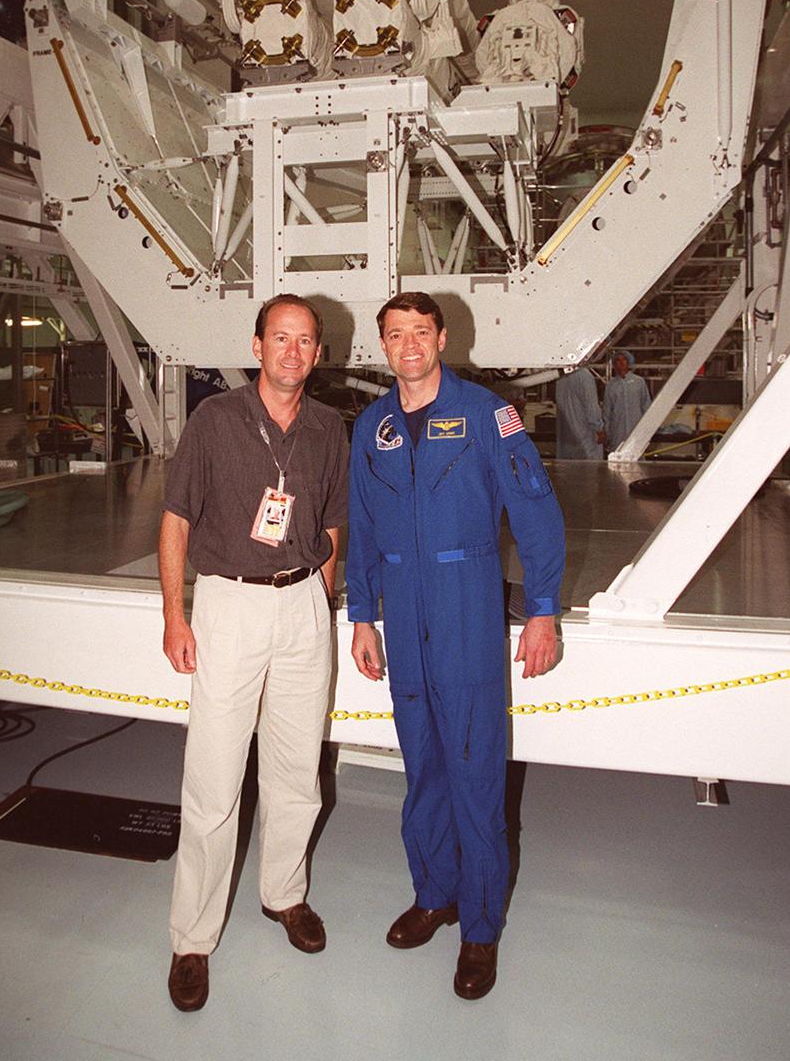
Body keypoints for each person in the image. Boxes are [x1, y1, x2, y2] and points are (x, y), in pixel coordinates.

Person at [346, 292, 565, 1001]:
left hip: (466, 598)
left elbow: (534, 510)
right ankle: (433, 893)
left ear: (441, 337)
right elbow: (362, 523)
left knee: (473, 769)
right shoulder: (372, 426)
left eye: (419, 331)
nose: (407, 345)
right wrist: (361, 615)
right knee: (422, 767)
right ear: (382, 346)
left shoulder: (484, 414)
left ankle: (479, 926)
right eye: (394, 334)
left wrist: (541, 610)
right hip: (401, 611)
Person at [160, 295, 348, 1012]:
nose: (292, 352)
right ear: (257, 344)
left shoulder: (331, 427)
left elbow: (334, 522)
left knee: (298, 768)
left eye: (305, 341)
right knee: (213, 777)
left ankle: (283, 895)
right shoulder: (215, 420)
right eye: (280, 338)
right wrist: (176, 615)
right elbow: (176, 521)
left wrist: (319, 602)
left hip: (302, 604)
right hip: (230, 603)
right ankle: (192, 938)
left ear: (318, 353)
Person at [603, 349, 651, 451]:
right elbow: (607, 412)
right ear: (614, 365)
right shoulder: (611, 385)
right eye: (617, 361)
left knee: (637, 457)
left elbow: (646, 406)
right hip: (617, 430)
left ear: (628, 362)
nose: (621, 363)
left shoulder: (639, 382)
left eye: (624, 360)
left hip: (637, 428)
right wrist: (607, 433)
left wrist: (648, 429)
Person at [555, 366, 603, 459]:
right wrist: (599, 428)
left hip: (566, 438)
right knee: (588, 470)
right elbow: (591, 407)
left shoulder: (561, 377)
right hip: (585, 436)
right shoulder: (584, 376)